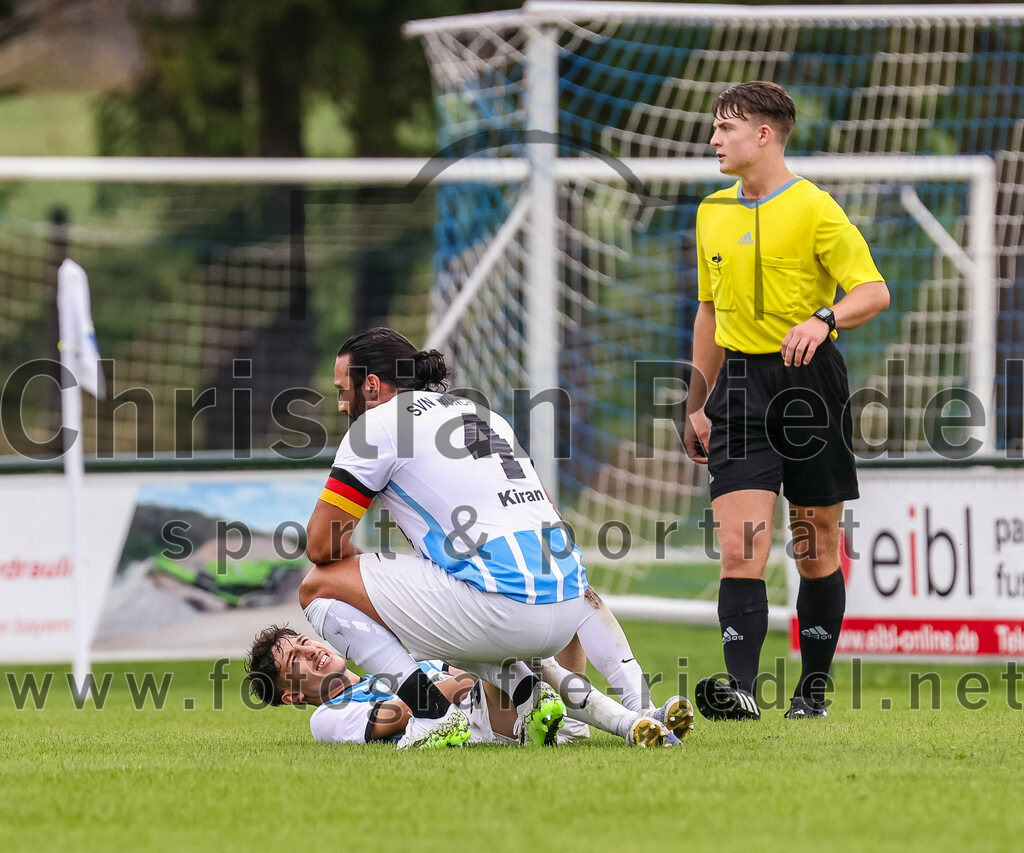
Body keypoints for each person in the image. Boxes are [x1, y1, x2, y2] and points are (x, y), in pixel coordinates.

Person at [299, 327, 690, 747]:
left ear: (371, 386)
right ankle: (631, 706)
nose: (342, 405)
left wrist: (363, 585)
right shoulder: (483, 413)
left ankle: (431, 714)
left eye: (343, 390)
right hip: (566, 609)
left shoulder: (378, 423)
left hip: (501, 611)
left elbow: (322, 546)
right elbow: (551, 517)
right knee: (552, 561)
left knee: (319, 585)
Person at [682, 82, 890, 720]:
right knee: (740, 543)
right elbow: (709, 311)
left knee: (814, 540)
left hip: (809, 385)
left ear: (764, 135)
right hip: (740, 389)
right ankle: (741, 691)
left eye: (726, 128)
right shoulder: (711, 212)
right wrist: (696, 400)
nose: (714, 140)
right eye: (715, 129)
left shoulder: (816, 208)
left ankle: (814, 689)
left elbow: (872, 291)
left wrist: (824, 318)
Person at [244, 625, 588, 747]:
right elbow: (404, 711)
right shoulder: (327, 717)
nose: (312, 651)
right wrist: (473, 673)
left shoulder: (389, 666)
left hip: (497, 697)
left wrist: (469, 666)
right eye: (296, 660)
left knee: (566, 617)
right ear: (291, 695)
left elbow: (455, 666)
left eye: (305, 642)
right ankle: (537, 715)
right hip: (486, 723)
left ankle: (571, 714)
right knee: (499, 640)